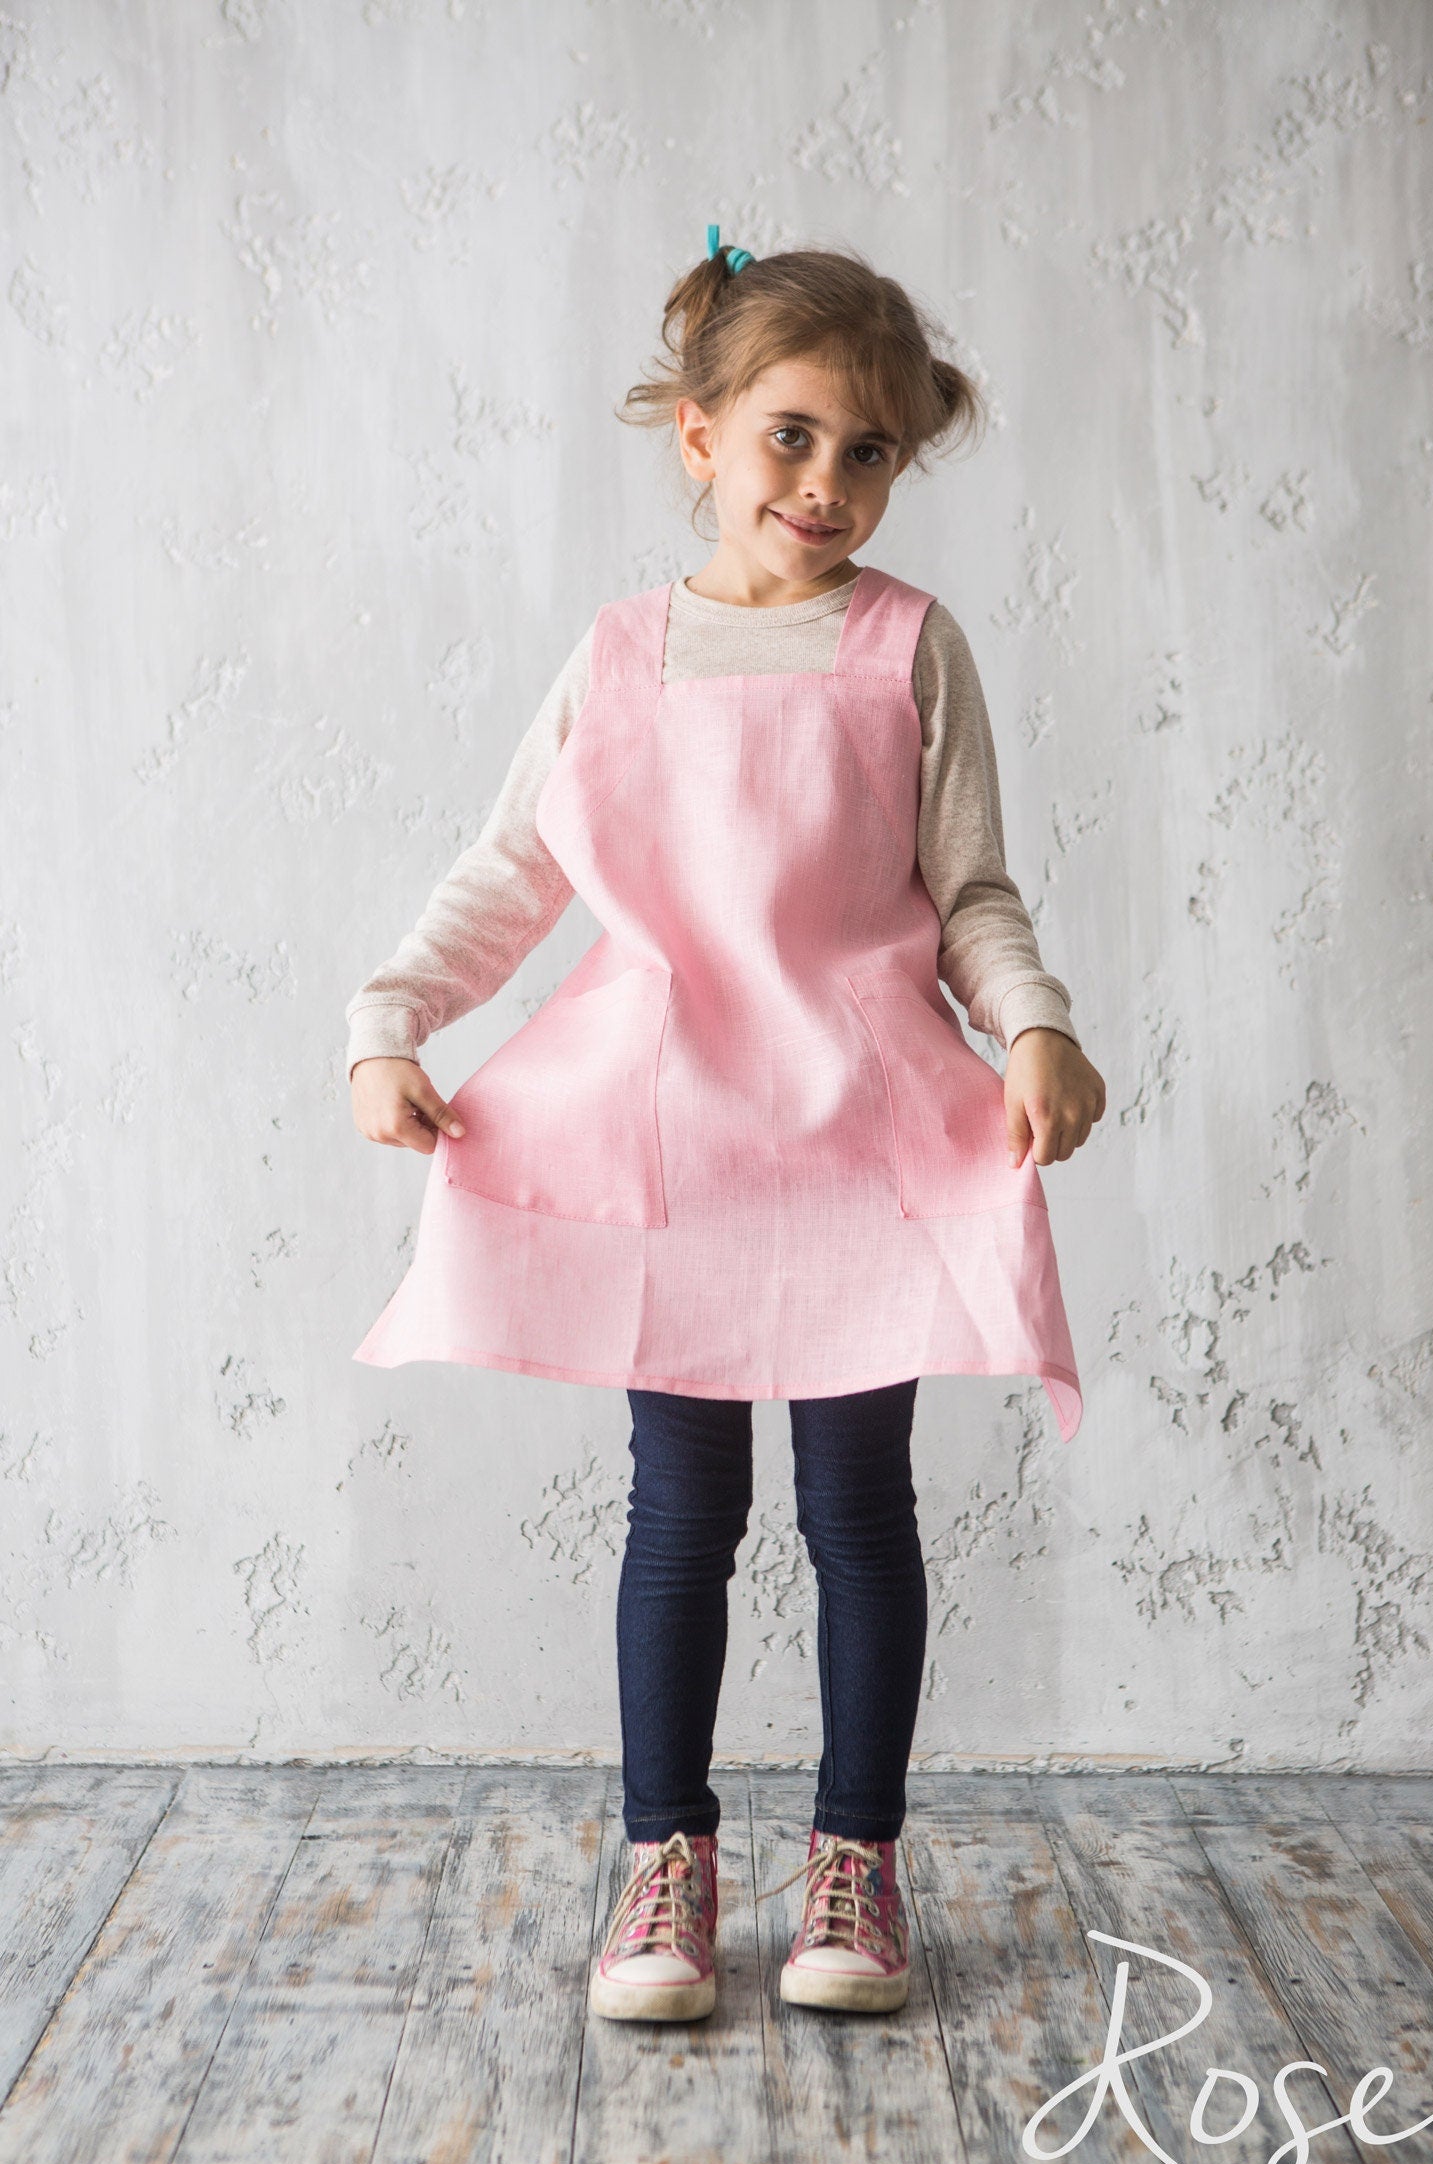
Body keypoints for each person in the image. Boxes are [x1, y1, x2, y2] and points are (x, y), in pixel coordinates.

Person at [346, 226, 1106, 2025]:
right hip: (671, 1131)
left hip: (862, 1130)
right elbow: (511, 874)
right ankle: (662, 1867)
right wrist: (386, 1022)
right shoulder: (622, 657)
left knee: (860, 1511)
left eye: (868, 452)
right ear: (699, 433)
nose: (827, 483)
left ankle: (857, 1864)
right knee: (678, 1514)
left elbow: (970, 887)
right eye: (789, 436)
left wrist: (1036, 1026)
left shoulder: (912, 648)